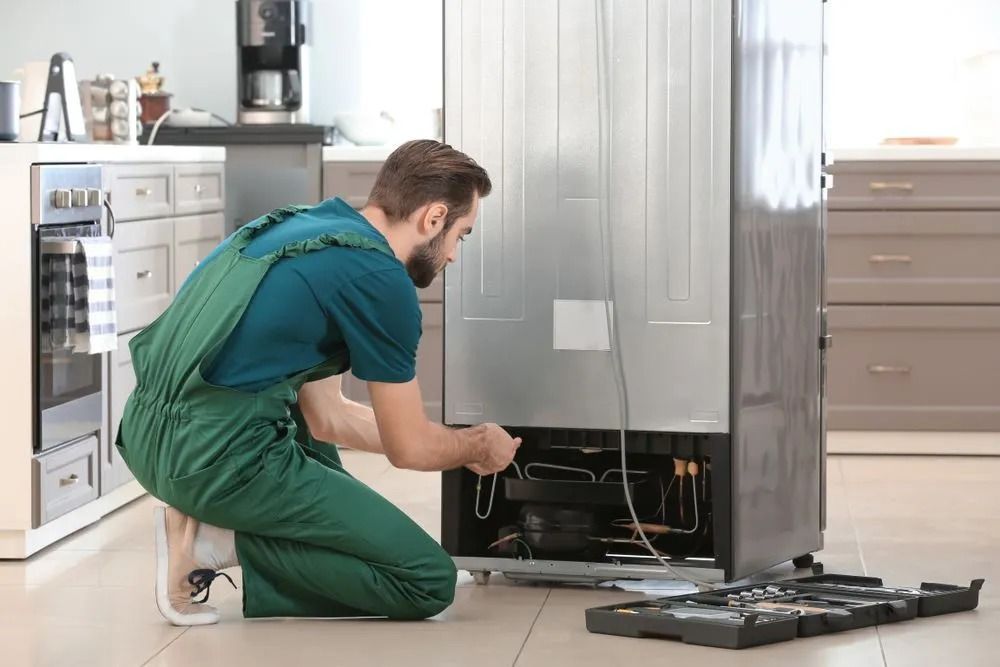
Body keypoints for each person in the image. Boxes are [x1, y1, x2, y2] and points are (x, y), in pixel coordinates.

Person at [115, 139, 521, 626]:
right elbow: (409, 449)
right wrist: (474, 446)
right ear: (433, 218)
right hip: (214, 459)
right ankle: (212, 544)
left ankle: (213, 525)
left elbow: (328, 420)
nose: (454, 254)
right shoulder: (381, 280)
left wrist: (449, 445)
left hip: (147, 440)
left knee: (318, 458)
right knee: (425, 580)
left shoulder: (305, 229)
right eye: (462, 234)